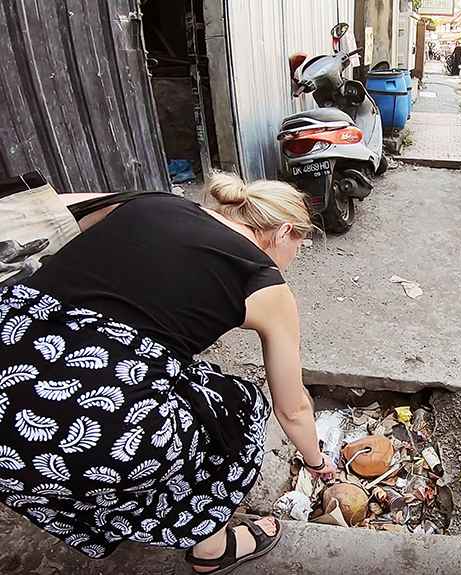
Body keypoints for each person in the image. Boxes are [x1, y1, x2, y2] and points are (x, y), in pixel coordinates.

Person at [0, 173, 336, 572]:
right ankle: (211, 548)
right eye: (300, 242)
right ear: (282, 232)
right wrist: (317, 463)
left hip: (11, 402)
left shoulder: (150, 201)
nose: (296, 255)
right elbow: (293, 408)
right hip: (94, 431)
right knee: (235, 410)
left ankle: (103, 502)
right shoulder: (264, 282)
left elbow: (50, 208)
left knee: (174, 381)